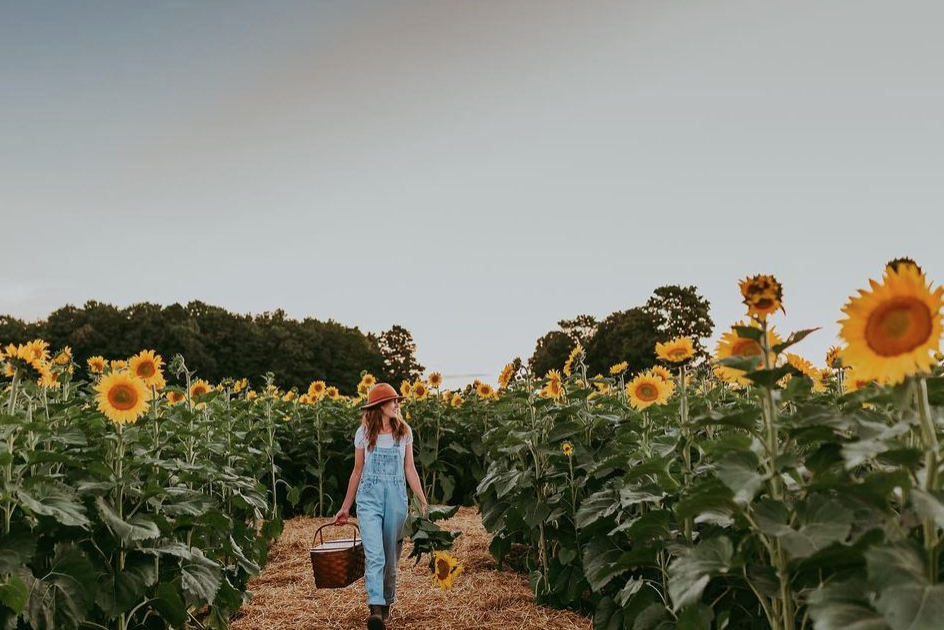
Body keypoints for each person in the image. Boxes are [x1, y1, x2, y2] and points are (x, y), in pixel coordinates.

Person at [334, 382, 429, 630]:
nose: (397, 404)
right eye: (393, 401)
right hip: (369, 499)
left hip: (396, 499)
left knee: (390, 557)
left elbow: (410, 468)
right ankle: (375, 608)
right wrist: (345, 507)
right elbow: (357, 471)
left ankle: (386, 602)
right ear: (379, 406)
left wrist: (421, 498)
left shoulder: (404, 432)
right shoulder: (363, 434)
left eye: (397, 400)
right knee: (375, 555)